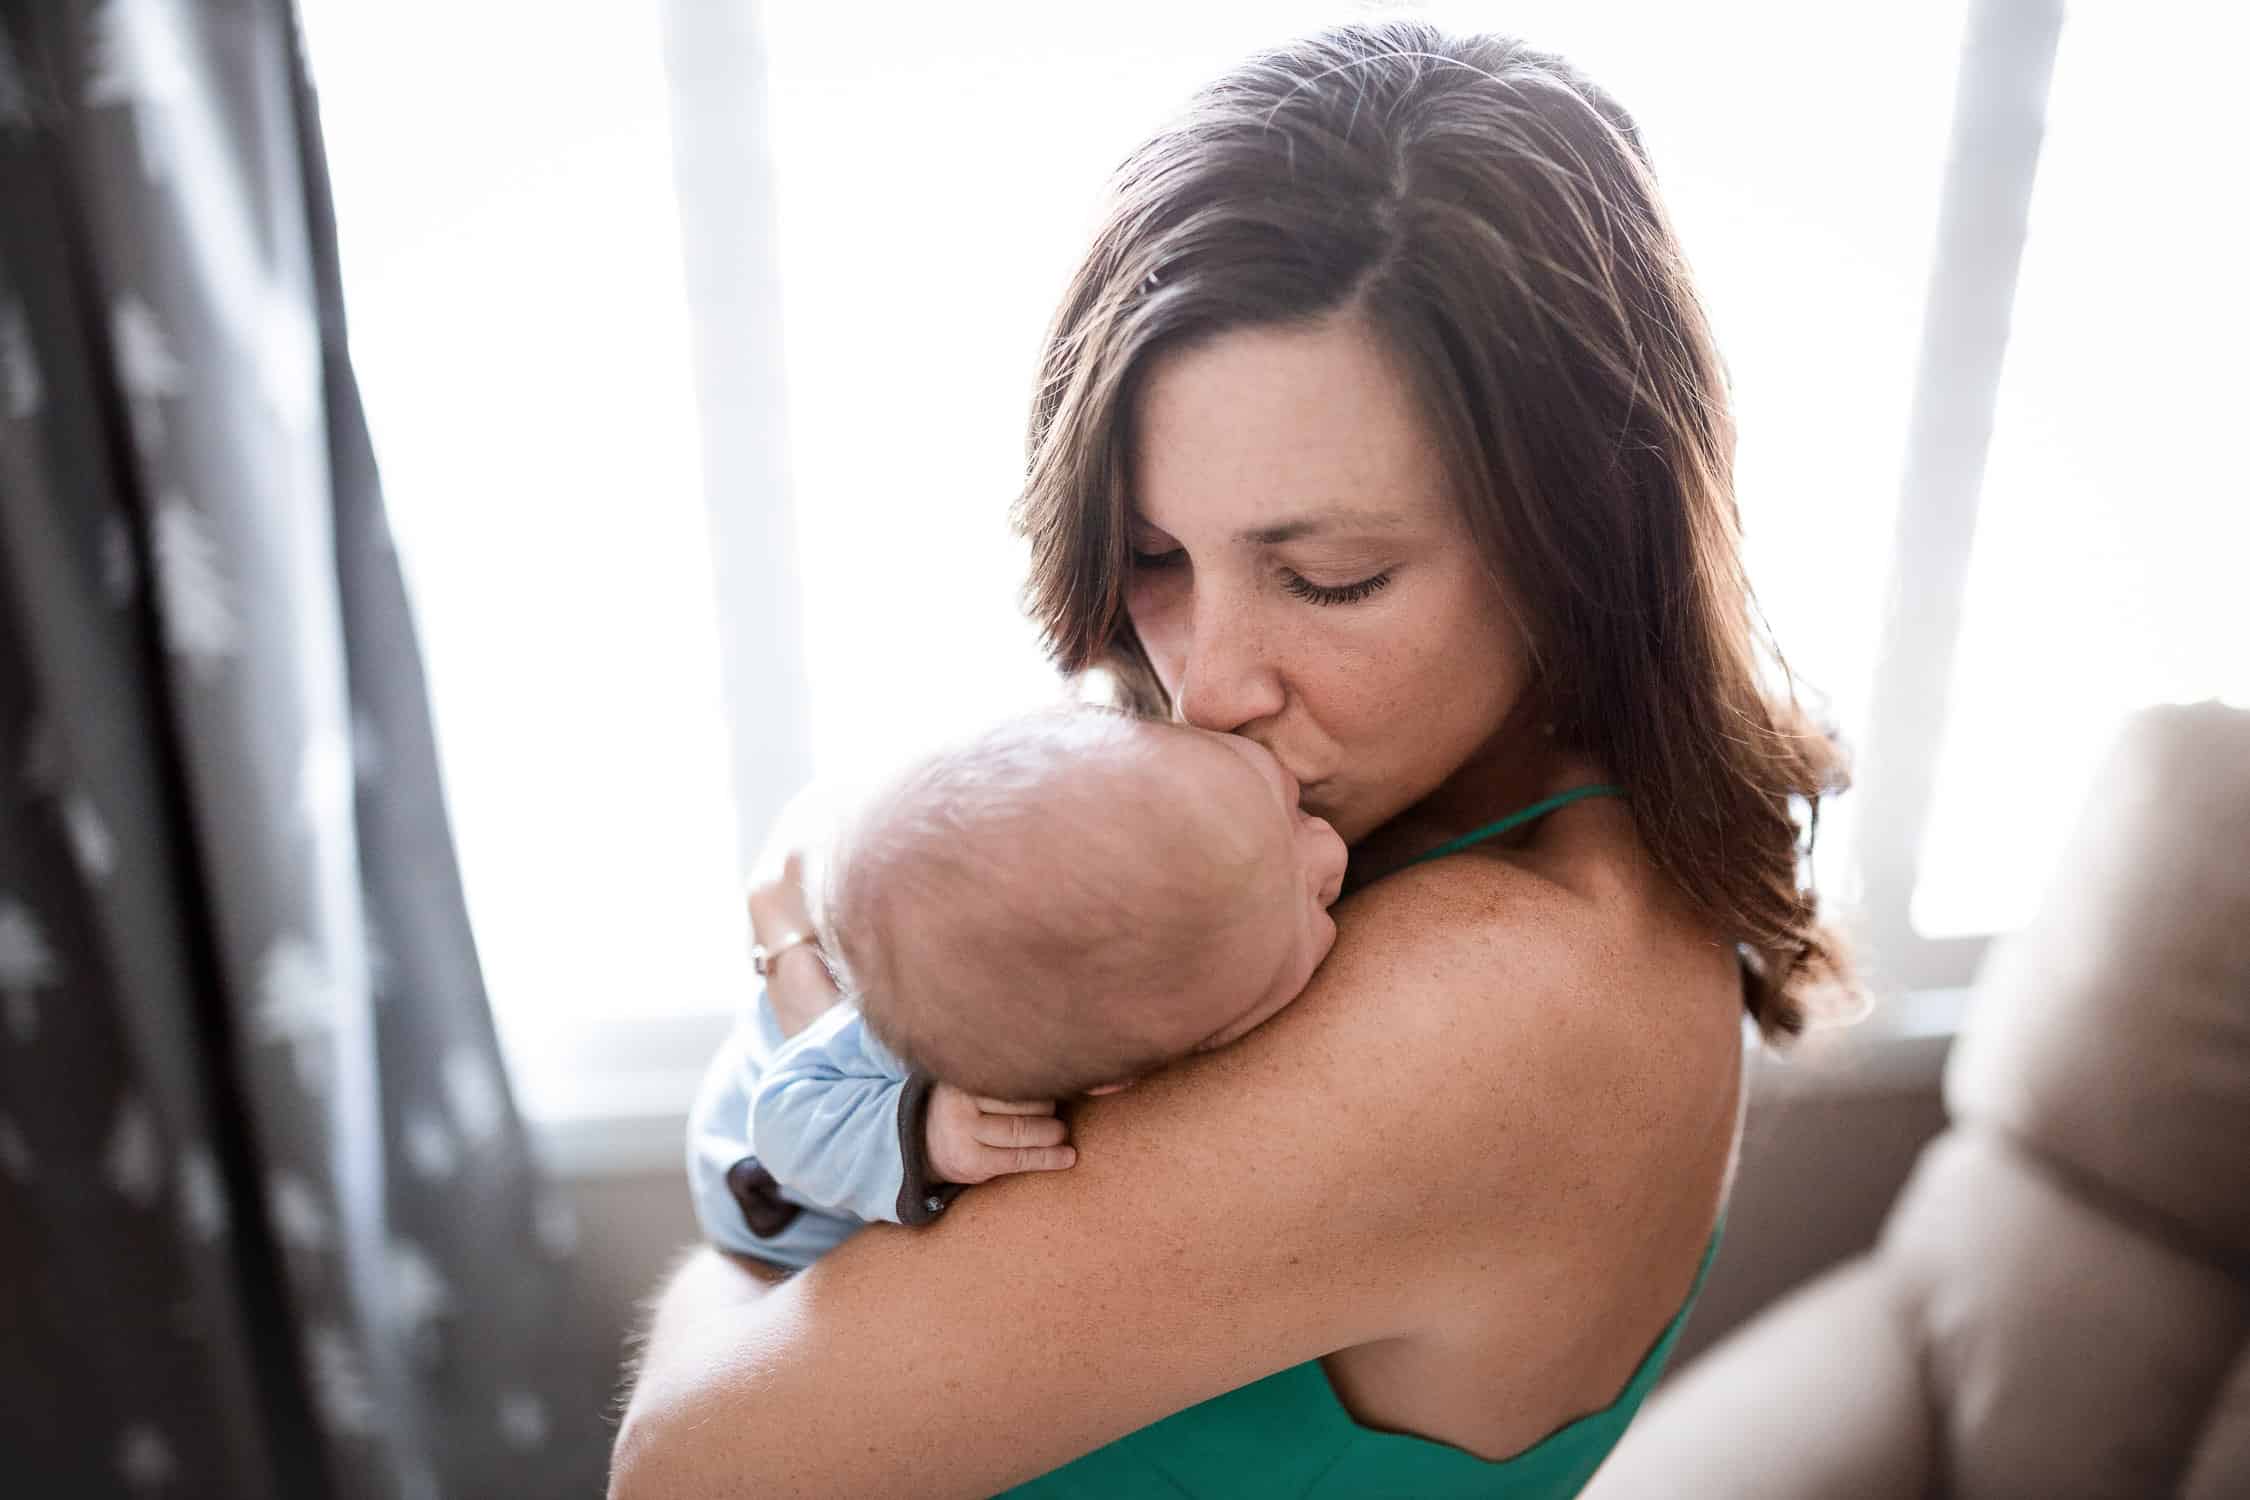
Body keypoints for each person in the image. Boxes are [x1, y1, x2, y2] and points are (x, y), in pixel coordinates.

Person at [611, 18, 1852, 1498]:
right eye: (1150, 556)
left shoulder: (1493, 999)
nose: (1203, 686)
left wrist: (795, 1017)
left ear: (1582, 529)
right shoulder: (1412, 806)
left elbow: (686, 1474)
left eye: (1327, 576)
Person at [685, 707, 1349, 1271]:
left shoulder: (1087, 988)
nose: (1330, 850)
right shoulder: (961, 1013)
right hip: (764, 1192)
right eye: (1308, 901)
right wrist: (927, 1133)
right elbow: (783, 1117)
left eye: (1291, 805)